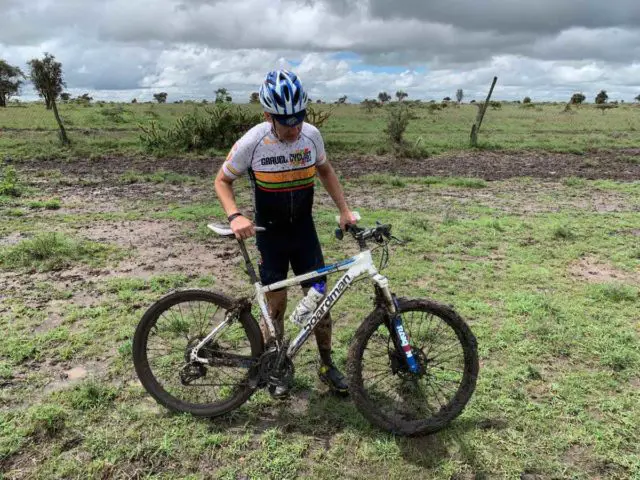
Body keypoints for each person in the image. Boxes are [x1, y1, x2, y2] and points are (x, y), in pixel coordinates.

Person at [214, 70, 357, 398]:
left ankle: (325, 364)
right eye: (286, 122)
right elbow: (222, 181)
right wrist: (235, 215)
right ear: (268, 116)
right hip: (270, 236)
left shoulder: (312, 136)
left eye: (299, 119)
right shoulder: (253, 142)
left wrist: (344, 210)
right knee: (275, 305)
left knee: (320, 298)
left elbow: (325, 170)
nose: (294, 129)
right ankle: (275, 364)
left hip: (304, 233)